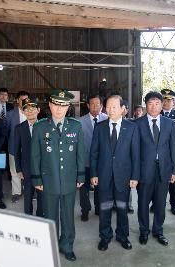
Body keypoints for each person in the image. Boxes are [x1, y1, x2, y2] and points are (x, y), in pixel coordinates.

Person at [31, 89, 85, 262]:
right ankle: (51, 246)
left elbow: (80, 154)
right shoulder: (40, 127)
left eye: (63, 105)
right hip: (48, 181)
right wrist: (37, 178)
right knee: (50, 215)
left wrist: (81, 176)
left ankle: (67, 245)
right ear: (50, 105)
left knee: (68, 216)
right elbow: (35, 156)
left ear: (68, 106)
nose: (59, 109)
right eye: (56, 104)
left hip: (69, 180)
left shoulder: (76, 126)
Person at [90, 94, 140, 252]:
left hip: (123, 177)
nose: (110, 110)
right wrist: (93, 174)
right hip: (103, 175)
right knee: (104, 208)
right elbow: (94, 153)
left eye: (114, 107)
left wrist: (135, 176)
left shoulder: (132, 127)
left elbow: (136, 155)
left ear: (122, 109)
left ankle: (122, 236)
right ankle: (105, 237)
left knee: (122, 208)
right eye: (108, 107)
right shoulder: (100, 127)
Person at [135, 91, 175, 246]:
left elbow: (173, 148)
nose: (154, 107)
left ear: (162, 105)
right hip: (144, 171)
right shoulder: (137, 124)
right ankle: (144, 231)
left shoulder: (168, 123)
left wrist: (174, 171)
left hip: (164, 170)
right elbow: (134, 151)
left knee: (161, 203)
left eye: (157, 104)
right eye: (150, 104)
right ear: (145, 105)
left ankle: (158, 231)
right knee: (143, 203)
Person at [78, 94, 108, 221]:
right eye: (92, 104)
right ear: (88, 105)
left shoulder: (107, 119)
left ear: (101, 106)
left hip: (101, 162)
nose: (95, 107)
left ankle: (98, 208)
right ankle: (85, 210)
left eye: (98, 104)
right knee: (83, 188)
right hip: (84, 161)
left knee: (100, 187)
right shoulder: (80, 121)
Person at [14, 98, 43, 217]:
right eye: (27, 109)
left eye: (33, 109)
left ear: (38, 110)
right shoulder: (19, 128)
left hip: (43, 167)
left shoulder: (45, 126)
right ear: (23, 112)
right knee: (28, 194)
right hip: (27, 168)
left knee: (42, 194)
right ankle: (28, 217)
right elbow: (16, 151)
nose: (30, 112)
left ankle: (41, 216)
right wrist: (18, 169)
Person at [7, 91, 30, 203]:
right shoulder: (10, 114)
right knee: (14, 171)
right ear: (17, 100)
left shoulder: (31, 113)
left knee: (28, 170)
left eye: (27, 100)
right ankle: (16, 192)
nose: (25, 102)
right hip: (13, 148)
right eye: (22, 100)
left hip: (28, 149)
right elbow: (6, 131)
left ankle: (29, 190)